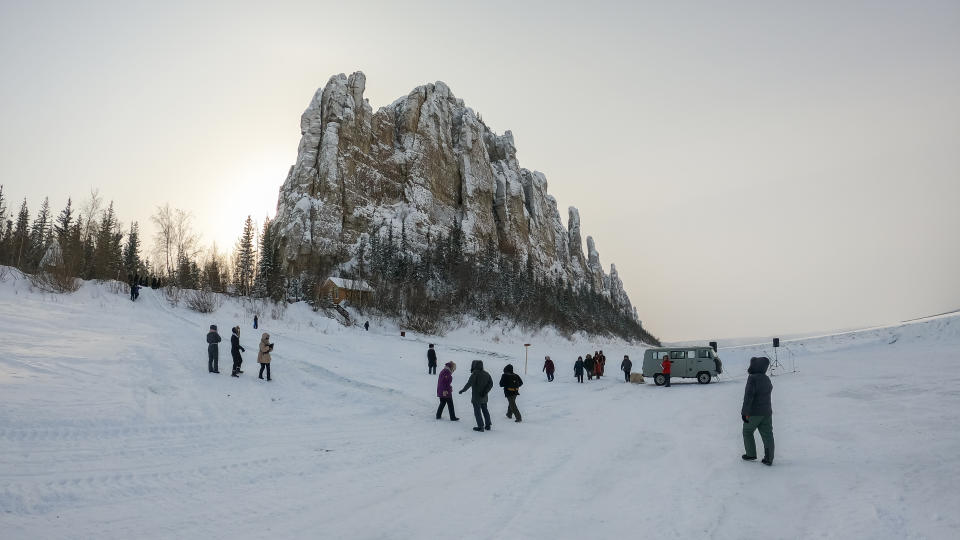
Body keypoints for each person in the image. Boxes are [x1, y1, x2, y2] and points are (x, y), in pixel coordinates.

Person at [741, 356, 775, 465]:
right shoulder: (766, 378)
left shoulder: (752, 378)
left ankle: (751, 454)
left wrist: (744, 413)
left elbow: (748, 397)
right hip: (767, 413)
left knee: (747, 431)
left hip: (754, 413)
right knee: (768, 435)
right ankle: (769, 458)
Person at [459, 360, 493, 432]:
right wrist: (485, 391)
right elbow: (491, 384)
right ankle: (488, 425)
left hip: (476, 397)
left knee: (477, 412)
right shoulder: (487, 374)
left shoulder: (475, 374)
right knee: (485, 410)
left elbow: (469, 383)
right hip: (484, 396)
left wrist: (463, 390)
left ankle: (480, 426)